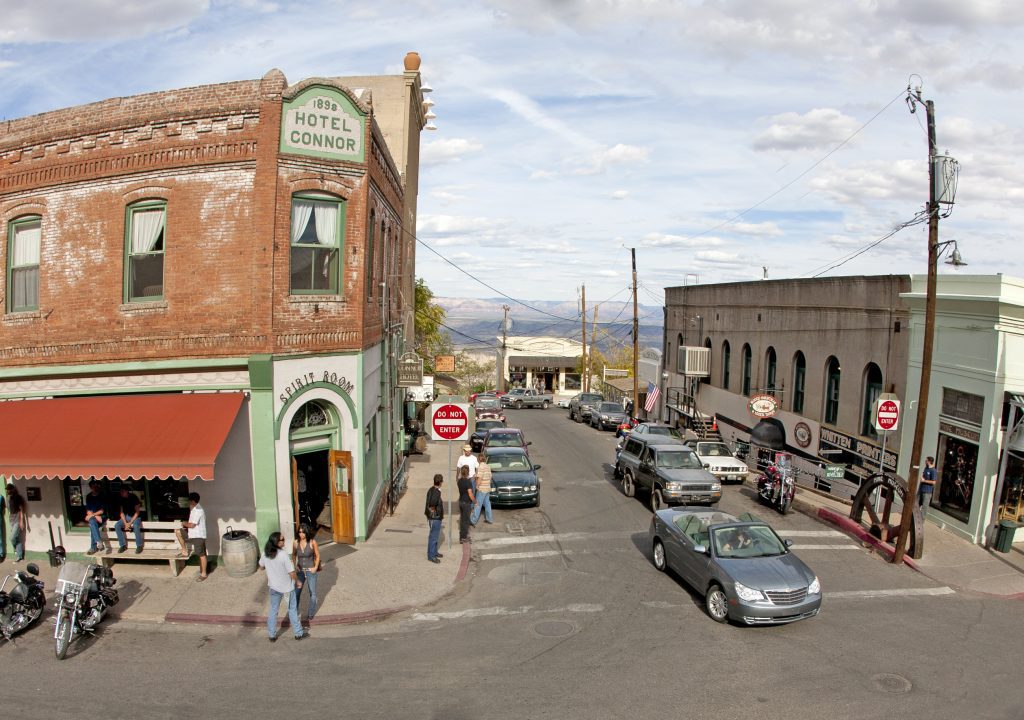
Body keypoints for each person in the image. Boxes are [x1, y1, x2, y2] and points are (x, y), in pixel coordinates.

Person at [259, 531, 307, 642]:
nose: (284, 541)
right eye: (282, 539)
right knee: (292, 610)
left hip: (274, 588)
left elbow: (261, 567)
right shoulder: (283, 555)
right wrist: (298, 582)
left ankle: (271, 635)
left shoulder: (265, 554)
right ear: (276, 542)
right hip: (287, 589)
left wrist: (269, 566)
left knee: (273, 610)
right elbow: (291, 572)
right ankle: (298, 633)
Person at [175, 492, 209, 581]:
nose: (189, 502)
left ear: (193, 501)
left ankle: (204, 574)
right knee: (178, 532)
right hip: (192, 534)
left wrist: (184, 523)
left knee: (201, 554)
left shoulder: (198, 510)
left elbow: (192, 525)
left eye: (189, 501)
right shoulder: (194, 508)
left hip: (198, 536)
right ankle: (184, 551)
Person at [292, 524, 321, 620]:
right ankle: (294, 612)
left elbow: (317, 555)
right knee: (296, 592)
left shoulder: (313, 542)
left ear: (306, 532)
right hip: (300, 571)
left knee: (312, 593)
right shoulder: (296, 542)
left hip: (311, 571)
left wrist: (315, 567)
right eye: (299, 532)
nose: (301, 534)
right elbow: (294, 555)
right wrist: (295, 566)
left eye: (303, 532)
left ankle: (311, 613)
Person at [114, 482, 144, 554]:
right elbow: (121, 513)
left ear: (127, 491)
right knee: (117, 525)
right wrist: (125, 523)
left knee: (136, 525)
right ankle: (123, 545)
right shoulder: (121, 499)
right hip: (127, 516)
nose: (121, 493)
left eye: (123, 491)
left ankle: (139, 545)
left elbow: (137, 512)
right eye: (120, 491)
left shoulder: (133, 497)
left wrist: (130, 523)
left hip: (135, 517)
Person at [84, 480, 108, 555]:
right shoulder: (89, 497)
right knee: (92, 522)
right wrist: (93, 516)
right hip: (94, 517)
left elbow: (102, 511)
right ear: (91, 487)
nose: (95, 488)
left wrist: (92, 515)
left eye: (96, 486)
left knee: (92, 523)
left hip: (102, 517)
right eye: (93, 487)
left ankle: (93, 547)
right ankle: (99, 542)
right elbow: (88, 510)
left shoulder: (102, 496)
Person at [424, 474, 445, 563]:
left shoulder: (432, 489)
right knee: (433, 537)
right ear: (440, 482)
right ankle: (431, 556)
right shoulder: (436, 492)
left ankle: (434, 552)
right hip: (435, 518)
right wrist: (433, 510)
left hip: (433, 517)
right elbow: (432, 503)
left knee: (435, 536)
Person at [470, 458, 493, 526]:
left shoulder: (480, 467)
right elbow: (491, 477)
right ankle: (489, 519)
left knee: (478, 504)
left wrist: (477, 486)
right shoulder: (488, 466)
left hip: (482, 489)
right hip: (487, 488)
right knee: (487, 503)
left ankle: (473, 520)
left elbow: (479, 478)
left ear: (479, 460)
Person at [7, 484, 26, 563]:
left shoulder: (18, 498)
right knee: (16, 538)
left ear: (12, 490)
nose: (7, 491)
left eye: (8, 489)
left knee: (12, 538)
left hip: (17, 520)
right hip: (12, 520)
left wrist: (21, 521)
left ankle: (18, 552)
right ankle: (19, 555)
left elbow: (21, 509)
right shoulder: (9, 498)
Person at [457, 465, 475, 544]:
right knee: (466, 520)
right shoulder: (468, 482)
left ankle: (462, 536)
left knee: (462, 520)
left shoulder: (459, 481)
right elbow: (470, 494)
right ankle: (464, 537)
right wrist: (475, 501)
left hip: (461, 501)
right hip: (466, 503)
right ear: (468, 473)